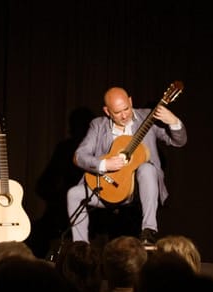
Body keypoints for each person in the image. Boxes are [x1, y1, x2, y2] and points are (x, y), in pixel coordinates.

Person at [67, 86, 187, 245]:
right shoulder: (98, 125)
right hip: (110, 187)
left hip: (138, 190)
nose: (124, 115)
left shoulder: (148, 117)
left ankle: (149, 231)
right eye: (117, 112)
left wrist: (174, 121)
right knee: (74, 194)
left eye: (126, 109)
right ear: (107, 111)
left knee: (147, 168)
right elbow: (79, 156)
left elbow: (179, 141)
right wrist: (104, 164)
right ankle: (80, 247)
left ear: (130, 101)